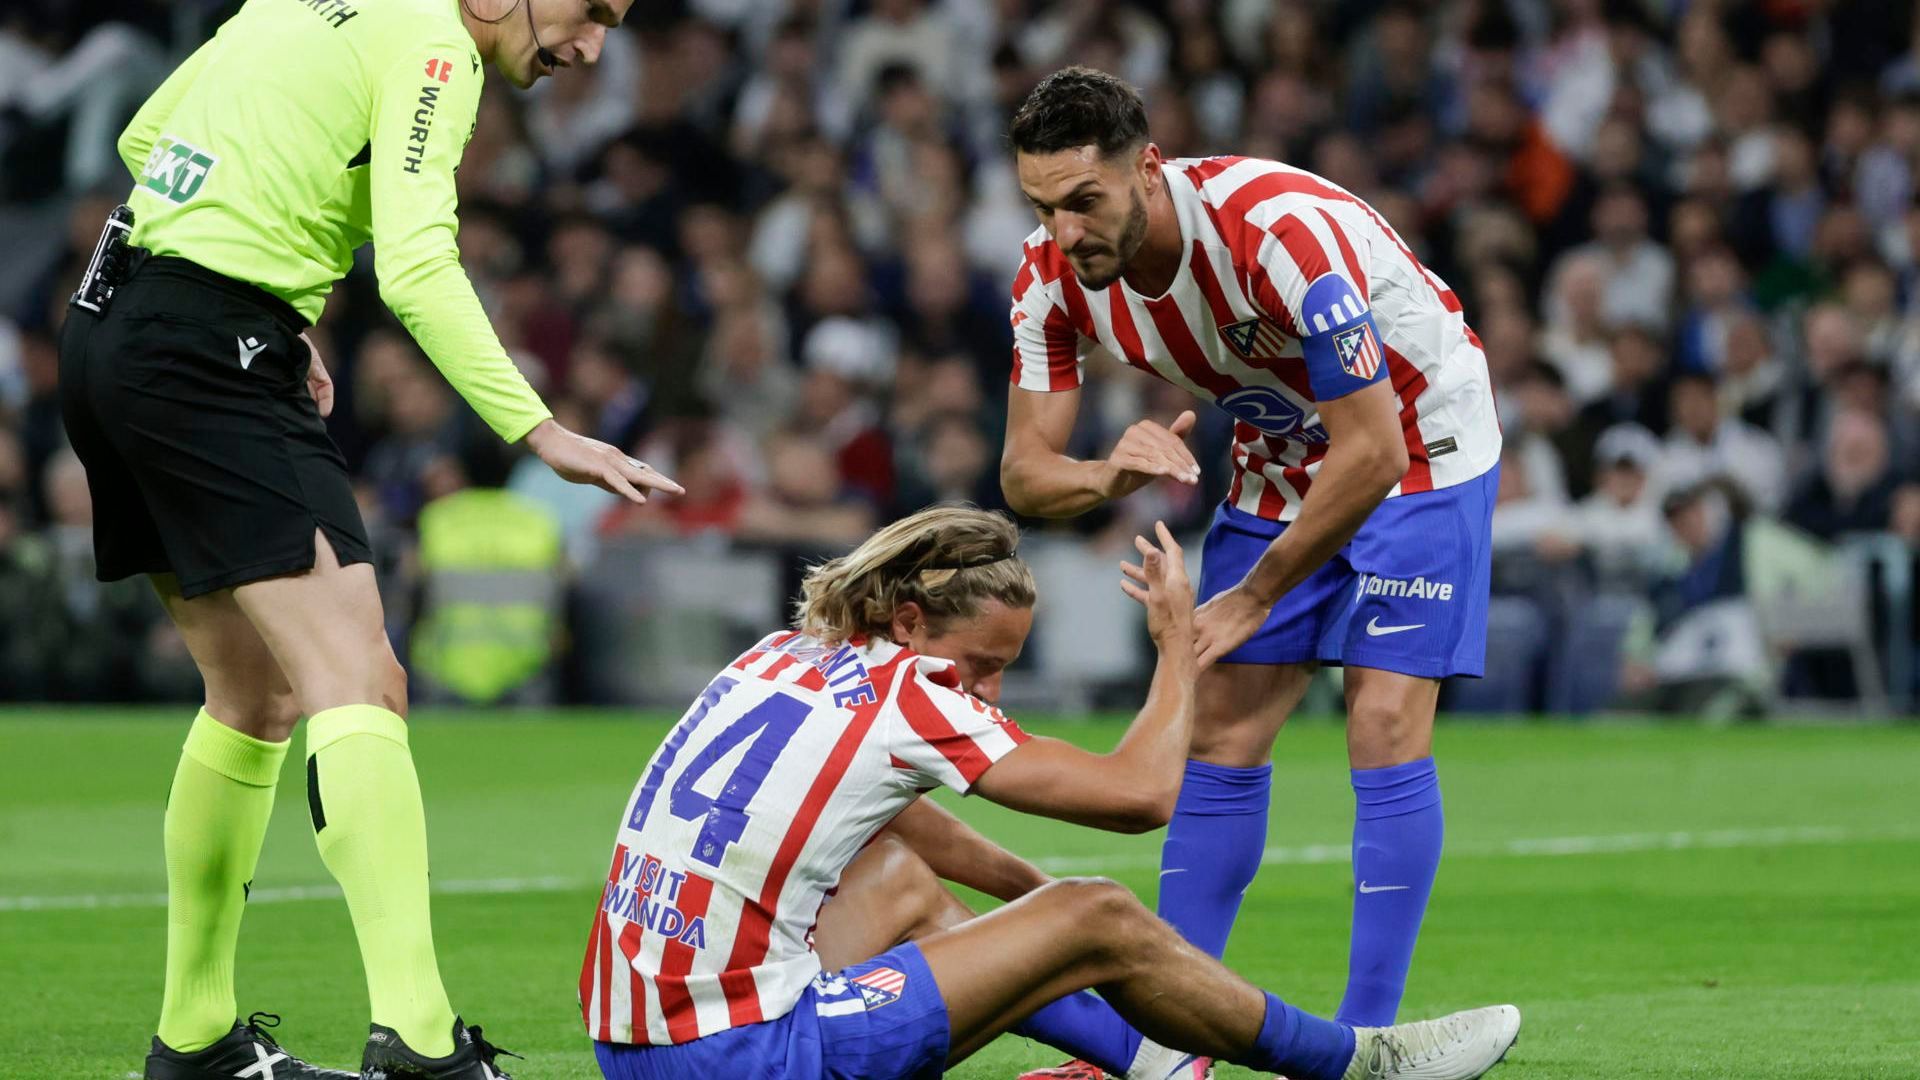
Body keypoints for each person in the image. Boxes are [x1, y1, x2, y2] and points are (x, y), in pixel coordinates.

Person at [56, 1, 684, 1077]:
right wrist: (540, 430)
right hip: (208, 350)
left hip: (109, 334)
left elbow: (147, 139)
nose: (590, 48)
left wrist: (272, 286)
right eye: (589, 12)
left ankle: (197, 1038)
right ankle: (424, 1043)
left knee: (251, 697)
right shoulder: (442, 47)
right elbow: (418, 263)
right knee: (363, 682)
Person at [582, 505, 1521, 1080]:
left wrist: (1030, 919)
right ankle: (1354, 1061)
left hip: (632, 1043)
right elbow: (1141, 796)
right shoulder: (911, 693)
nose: (984, 689)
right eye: (982, 664)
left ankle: (1158, 1062)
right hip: (747, 1059)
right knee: (1102, 910)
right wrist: (1175, 653)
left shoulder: (785, 654)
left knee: (906, 880)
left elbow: (895, 815)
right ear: (909, 620)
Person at [997, 67, 1504, 1071]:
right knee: (1221, 726)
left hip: (1419, 437)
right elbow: (1024, 474)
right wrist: (1106, 472)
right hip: (1281, 452)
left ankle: (1368, 1044)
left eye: (1084, 201)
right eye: (1043, 206)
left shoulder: (1275, 235)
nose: (1064, 232)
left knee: (1385, 714)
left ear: (1148, 168)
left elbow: (1373, 452)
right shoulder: (1048, 278)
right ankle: (1168, 1050)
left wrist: (1259, 593)